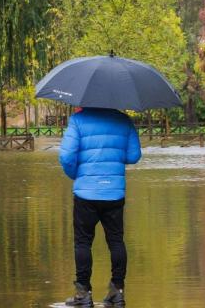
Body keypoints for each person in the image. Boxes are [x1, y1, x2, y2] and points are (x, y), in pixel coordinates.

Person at [59, 107, 142, 308]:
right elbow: (133, 156)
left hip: (85, 194)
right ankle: (117, 292)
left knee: (83, 243)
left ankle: (83, 294)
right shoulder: (123, 120)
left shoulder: (78, 120)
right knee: (116, 240)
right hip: (114, 192)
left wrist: (77, 176)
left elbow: (66, 157)